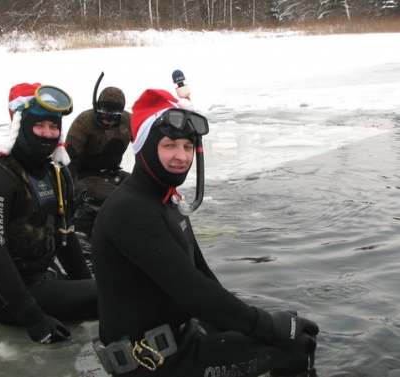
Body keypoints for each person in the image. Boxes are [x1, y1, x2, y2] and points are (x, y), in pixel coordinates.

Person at [90, 88, 319, 376]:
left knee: (293, 328)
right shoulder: (130, 210)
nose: (181, 157)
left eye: (187, 147)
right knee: (293, 346)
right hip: (154, 365)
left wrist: (262, 327)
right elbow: (194, 294)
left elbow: (202, 275)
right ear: (145, 147)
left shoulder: (164, 200)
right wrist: (269, 327)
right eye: (170, 145)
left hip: (181, 339)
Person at [0, 83, 98, 344]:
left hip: (41, 281)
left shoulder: (53, 172)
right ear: (20, 125)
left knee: (112, 289)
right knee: (117, 292)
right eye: (39, 126)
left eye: (54, 127)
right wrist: (34, 320)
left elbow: (64, 239)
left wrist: (85, 285)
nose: (48, 134)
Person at [65, 84, 132, 208]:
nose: (108, 120)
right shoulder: (84, 121)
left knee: (144, 189)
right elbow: (69, 158)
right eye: (104, 114)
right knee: (121, 196)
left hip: (113, 173)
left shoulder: (128, 121)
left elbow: (145, 146)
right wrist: (70, 191)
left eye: (114, 117)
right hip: (85, 176)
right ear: (96, 108)